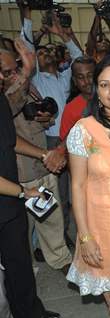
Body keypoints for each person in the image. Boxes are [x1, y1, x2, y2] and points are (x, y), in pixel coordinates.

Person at [66, 53, 110, 318]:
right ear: (96, 89)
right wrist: (84, 237)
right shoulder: (84, 130)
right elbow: (77, 185)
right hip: (104, 229)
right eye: (104, 85)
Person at [1, 39, 72, 273]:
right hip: (21, 174)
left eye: (16, 69)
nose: (11, 76)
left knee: (51, 218)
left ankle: (61, 259)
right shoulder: (9, 96)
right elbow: (9, 138)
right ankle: (25, 268)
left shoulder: (28, 87)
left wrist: (46, 119)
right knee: (22, 229)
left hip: (43, 166)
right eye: (7, 71)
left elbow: (42, 116)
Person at [20, 3, 83, 233]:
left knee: (71, 191)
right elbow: (27, 47)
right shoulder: (35, 81)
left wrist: (62, 36)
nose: (44, 53)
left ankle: (68, 232)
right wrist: (27, 16)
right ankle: (57, 235)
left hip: (68, 139)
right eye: (41, 52)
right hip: (47, 141)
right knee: (54, 193)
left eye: (48, 51)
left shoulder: (65, 77)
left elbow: (79, 59)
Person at [0, 91, 61, 318]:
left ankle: (30, 314)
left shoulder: (1, 100)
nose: (2, 77)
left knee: (20, 265)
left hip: (10, 201)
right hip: (13, 192)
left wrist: (44, 154)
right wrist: (23, 192)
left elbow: (10, 139)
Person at [60, 56, 96, 142]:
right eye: (80, 77)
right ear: (75, 81)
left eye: (90, 75)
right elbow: (65, 143)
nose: (86, 81)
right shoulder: (70, 109)